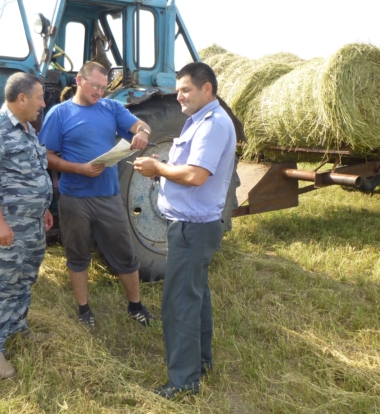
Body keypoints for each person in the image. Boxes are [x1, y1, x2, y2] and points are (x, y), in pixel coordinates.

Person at [133, 62, 236, 398]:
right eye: (178, 90)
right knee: (195, 295)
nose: (179, 96)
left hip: (192, 228)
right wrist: (163, 169)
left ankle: (183, 380)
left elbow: (195, 176)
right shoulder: (200, 121)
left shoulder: (213, 124)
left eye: (186, 89)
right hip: (193, 225)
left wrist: (158, 167)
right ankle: (201, 362)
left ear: (208, 89)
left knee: (179, 302)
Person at [37, 61, 154, 328]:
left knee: (125, 252)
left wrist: (143, 133)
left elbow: (140, 125)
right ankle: (84, 311)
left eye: (104, 87)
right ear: (79, 80)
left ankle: (135, 306)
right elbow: (46, 157)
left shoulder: (111, 108)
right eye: (95, 86)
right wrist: (78, 168)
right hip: (74, 198)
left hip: (108, 195)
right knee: (77, 255)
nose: (100, 92)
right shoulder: (59, 113)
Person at [0, 72, 54, 379]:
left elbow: (32, 172)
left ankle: (17, 329)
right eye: (39, 97)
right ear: (21, 98)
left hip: (32, 224)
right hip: (10, 226)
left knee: (25, 280)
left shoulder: (27, 129)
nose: (43, 103)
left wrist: (43, 208)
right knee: (2, 286)